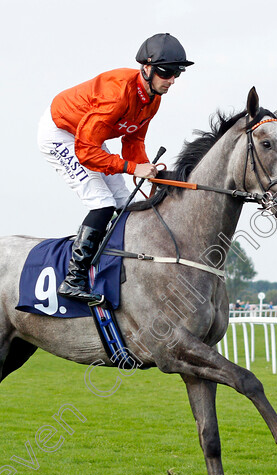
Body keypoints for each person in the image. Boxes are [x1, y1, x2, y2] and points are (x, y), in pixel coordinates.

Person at [38, 33, 193, 305]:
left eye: (176, 74)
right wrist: (133, 168)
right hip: (61, 134)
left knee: (125, 204)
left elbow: (132, 140)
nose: (171, 81)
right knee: (103, 203)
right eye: (166, 73)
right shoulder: (116, 95)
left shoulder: (152, 98)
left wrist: (146, 170)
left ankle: (117, 270)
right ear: (147, 68)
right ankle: (73, 279)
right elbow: (86, 152)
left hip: (87, 136)